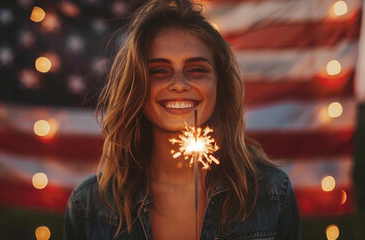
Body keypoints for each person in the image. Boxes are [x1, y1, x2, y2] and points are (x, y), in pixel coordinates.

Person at [64, 0, 301, 239]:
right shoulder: (89, 205)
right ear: (136, 87)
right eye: (159, 71)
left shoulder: (271, 192)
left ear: (220, 83)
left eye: (197, 69)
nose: (179, 84)